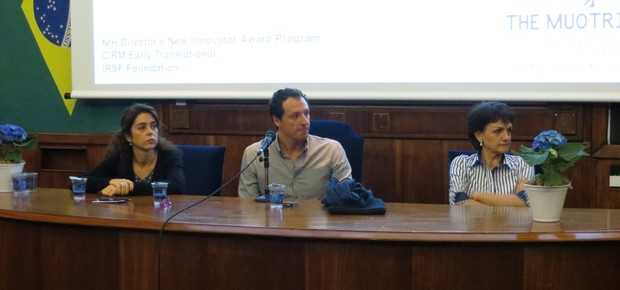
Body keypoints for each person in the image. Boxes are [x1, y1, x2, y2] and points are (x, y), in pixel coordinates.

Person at [238, 88, 352, 200]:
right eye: (295, 116)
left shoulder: (331, 150)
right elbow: (247, 207)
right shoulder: (255, 154)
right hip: (273, 218)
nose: (305, 122)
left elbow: (347, 200)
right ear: (277, 120)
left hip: (318, 218)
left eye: (306, 113)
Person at [83, 103, 185, 196]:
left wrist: (130, 187)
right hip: (130, 214)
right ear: (128, 136)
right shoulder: (121, 157)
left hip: (163, 214)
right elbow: (78, 182)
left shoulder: (170, 155)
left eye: (154, 126)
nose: (150, 132)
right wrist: (112, 182)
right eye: (141, 128)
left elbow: (177, 186)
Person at [449, 101, 534, 206]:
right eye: (498, 131)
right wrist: (513, 202)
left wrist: (479, 196)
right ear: (479, 135)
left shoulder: (523, 164)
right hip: (472, 223)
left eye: (509, 131)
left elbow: (527, 204)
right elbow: (457, 203)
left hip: (511, 223)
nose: (507, 137)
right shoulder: (461, 163)